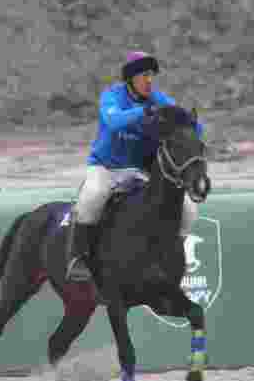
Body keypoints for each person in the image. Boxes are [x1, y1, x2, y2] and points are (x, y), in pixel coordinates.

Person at [66, 52, 204, 288]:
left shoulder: (159, 99)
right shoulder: (112, 97)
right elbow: (114, 122)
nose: (150, 80)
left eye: (152, 75)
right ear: (130, 79)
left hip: (141, 170)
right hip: (106, 167)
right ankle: (77, 258)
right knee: (92, 197)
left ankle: (174, 256)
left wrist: (189, 128)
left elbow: (194, 128)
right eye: (144, 75)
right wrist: (144, 112)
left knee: (189, 209)